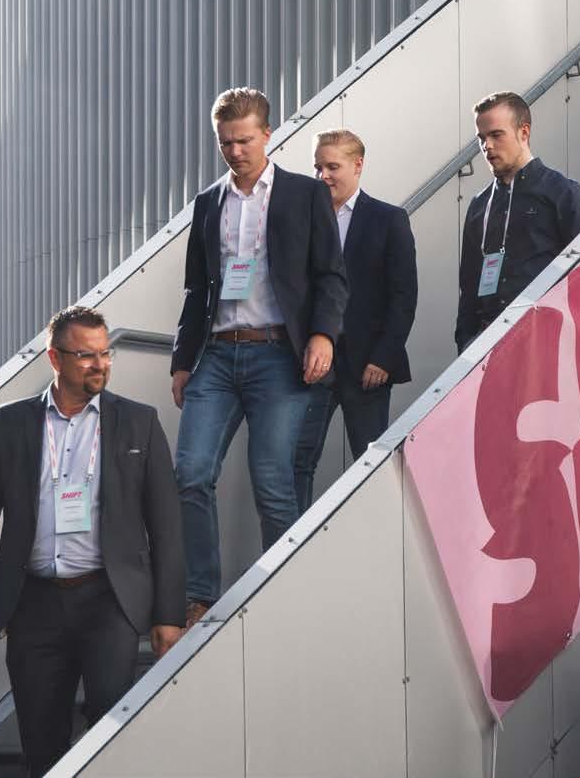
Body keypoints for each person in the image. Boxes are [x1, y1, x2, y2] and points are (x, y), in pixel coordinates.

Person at [0, 306, 185, 778]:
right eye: (86, 356)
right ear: (55, 358)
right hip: (33, 605)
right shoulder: (11, 423)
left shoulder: (138, 421)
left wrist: (168, 615)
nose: (101, 365)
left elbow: (166, 525)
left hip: (109, 600)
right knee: (41, 739)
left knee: (110, 731)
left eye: (105, 353)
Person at [170, 87, 347, 627]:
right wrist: (182, 361)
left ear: (268, 134)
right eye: (226, 142)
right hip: (216, 357)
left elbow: (331, 275)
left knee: (272, 480)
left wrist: (323, 335)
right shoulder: (208, 203)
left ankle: (282, 595)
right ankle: (200, 595)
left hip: (278, 355)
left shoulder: (304, 194)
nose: (236, 151)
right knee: (190, 472)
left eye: (245, 140)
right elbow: (196, 288)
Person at [293, 129, 418, 511]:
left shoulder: (388, 219)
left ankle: (376, 535)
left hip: (367, 366)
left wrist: (383, 357)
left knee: (370, 464)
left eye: (332, 167)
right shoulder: (302, 221)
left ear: (358, 165)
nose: (323, 176)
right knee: (296, 460)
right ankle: (291, 541)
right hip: (312, 365)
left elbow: (403, 296)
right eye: (317, 167)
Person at [454, 91, 580, 353]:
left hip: (548, 342)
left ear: (524, 132)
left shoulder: (562, 193)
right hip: (489, 348)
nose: (487, 146)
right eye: (481, 138)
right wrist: (466, 343)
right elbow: (469, 286)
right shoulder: (479, 205)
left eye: (496, 135)